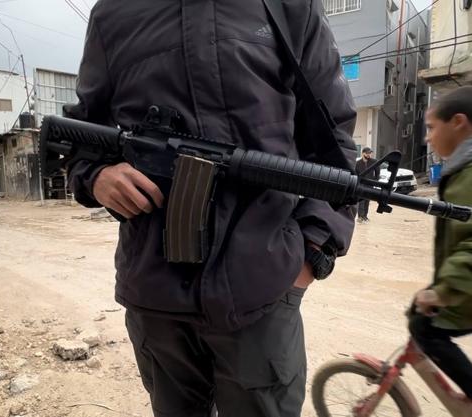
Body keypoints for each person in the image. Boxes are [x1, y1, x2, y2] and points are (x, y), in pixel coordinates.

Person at [65, 1, 357, 416]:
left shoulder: (288, 6)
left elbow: (335, 146)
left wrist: (311, 254)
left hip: (262, 288)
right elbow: (82, 137)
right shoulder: (114, 13)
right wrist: (98, 176)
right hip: (155, 296)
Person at [409, 86, 472, 399]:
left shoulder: (468, 174)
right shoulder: (460, 170)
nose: (427, 138)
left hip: (466, 288)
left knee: (424, 328)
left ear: (458, 122)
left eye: (432, 128)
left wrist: (444, 291)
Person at [355, 147, 379, 223]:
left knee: (367, 201)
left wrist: (374, 181)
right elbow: (355, 174)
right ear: (363, 153)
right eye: (368, 153)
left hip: (370, 185)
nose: (369, 155)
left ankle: (365, 216)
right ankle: (360, 217)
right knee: (361, 200)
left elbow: (377, 173)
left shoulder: (374, 161)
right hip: (361, 185)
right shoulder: (357, 163)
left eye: (370, 153)